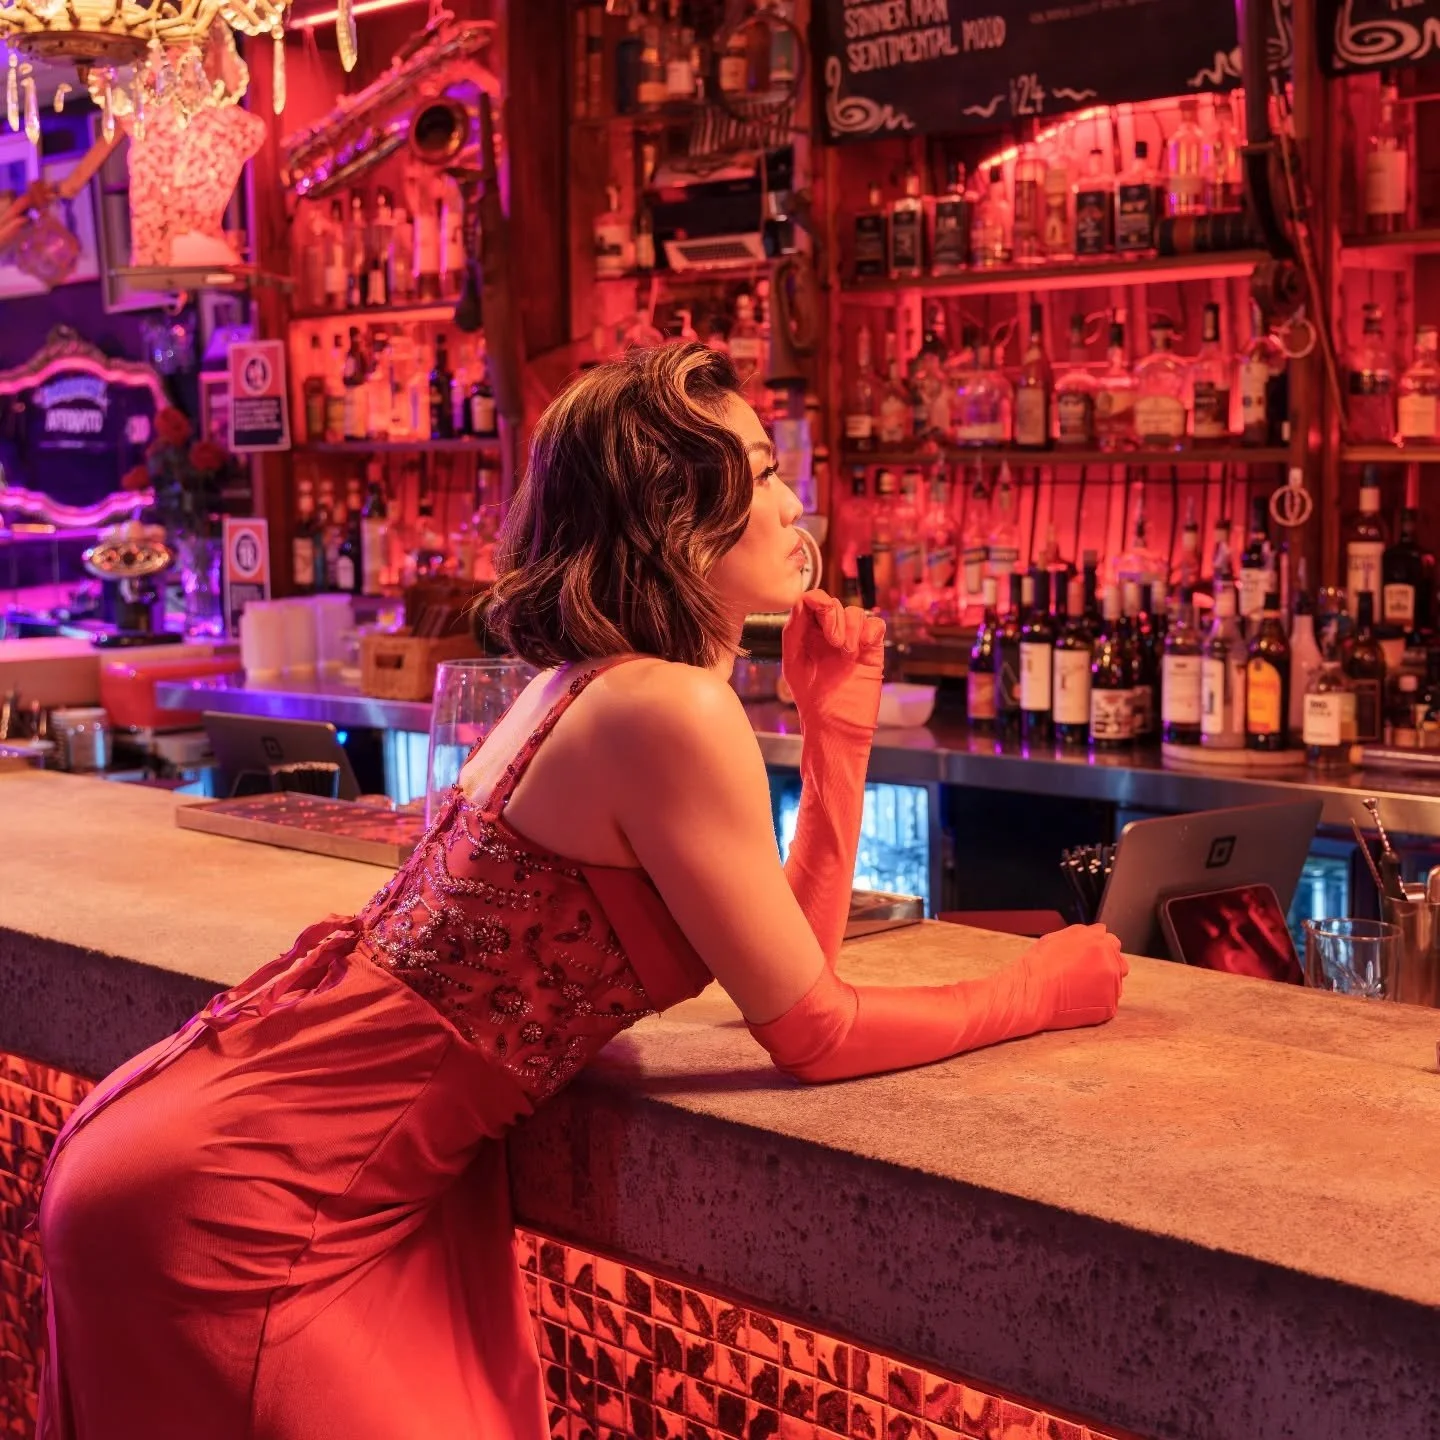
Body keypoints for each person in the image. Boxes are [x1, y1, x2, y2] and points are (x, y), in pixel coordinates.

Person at [34, 343, 1126, 1439]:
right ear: (674, 514)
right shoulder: (663, 710)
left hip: (233, 1159)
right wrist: (1036, 988)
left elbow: (797, 967)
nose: (800, 505)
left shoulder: (587, 689)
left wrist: (833, 726)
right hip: (247, 1208)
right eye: (762, 469)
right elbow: (813, 1030)